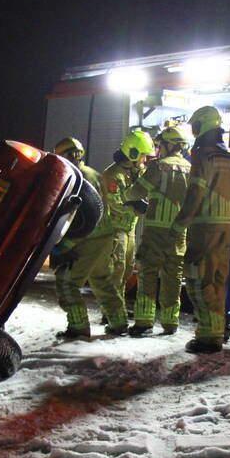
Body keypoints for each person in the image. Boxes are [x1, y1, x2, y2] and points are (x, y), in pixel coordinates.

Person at [170, 106, 230, 353]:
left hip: (204, 230)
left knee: (197, 281)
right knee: (217, 282)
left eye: (195, 126)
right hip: (225, 232)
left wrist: (179, 223)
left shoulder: (203, 154)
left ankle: (208, 337)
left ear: (203, 126)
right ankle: (214, 333)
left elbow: (195, 192)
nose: (193, 132)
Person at [124, 125, 192, 336]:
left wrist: (127, 194)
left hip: (155, 231)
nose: (158, 149)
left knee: (148, 273)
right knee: (173, 277)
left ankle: (144, 322)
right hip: (179, 233)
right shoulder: (191, 169)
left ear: (169, 145)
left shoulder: (158, 166)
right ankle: (170, 322)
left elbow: (135, 193)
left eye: (160, 145)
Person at [51, 137, 116, 339]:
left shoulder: (80, 179)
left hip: (89, 239)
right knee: (102, 281)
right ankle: (118, 322)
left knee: (66, 283)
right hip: (105, 237)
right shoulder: (92, 174)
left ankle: (78, 328)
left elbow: (84, 221)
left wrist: (62, 247)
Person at [96, 129, 156, 334]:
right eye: (143, 155)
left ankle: (117, 308)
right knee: (116, 271)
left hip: (128, 229)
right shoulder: (113, 174)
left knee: (126, 270)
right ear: (132, 153)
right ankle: (111, 313)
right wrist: (137, 206)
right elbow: (117, 204)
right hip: (114, 229)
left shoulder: (134, 171)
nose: (145, 159)